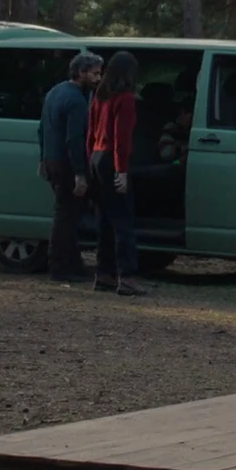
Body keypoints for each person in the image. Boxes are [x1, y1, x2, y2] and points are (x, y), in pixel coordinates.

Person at [38, 51, 103, 283]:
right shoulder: (76, 101)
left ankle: (73, 264)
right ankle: (60, 267)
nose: (98, 78)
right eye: (95, 73)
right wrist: (80, 173)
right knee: (66, 217)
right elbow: (74, 139)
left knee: (69, 215)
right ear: (81, 72)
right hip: (67, 165)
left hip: (53, 161)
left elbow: (42, 128)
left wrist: (42, 158)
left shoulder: (55, 92)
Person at [87, 51, 148, 296]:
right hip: (112, 160)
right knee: (123, 220)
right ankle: (127, 276)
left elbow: (91, 132)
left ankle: (104, 273)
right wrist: (121, 171)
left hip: (97, 157)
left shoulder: (100, 96)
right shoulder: (125, 99)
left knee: (104, 220)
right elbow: (121, 139)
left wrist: (89, 162)